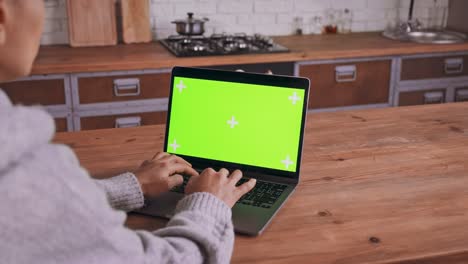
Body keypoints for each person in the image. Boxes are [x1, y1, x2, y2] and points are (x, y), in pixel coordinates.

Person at [0, 1, 256, 263]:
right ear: (1, 18)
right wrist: (209, 202)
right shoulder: (16, 169)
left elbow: (44, 204)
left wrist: (132, 186)